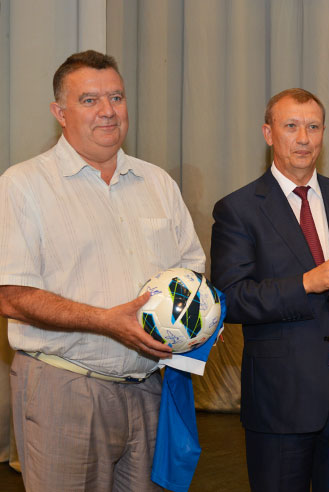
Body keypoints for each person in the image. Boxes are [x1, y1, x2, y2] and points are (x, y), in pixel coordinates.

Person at [0, 50, 205, 491]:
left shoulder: (158, 183)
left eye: (116, 97)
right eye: (89, 100)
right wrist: (105, 321)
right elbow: (12, 296)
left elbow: (192, 273)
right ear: (60, 113)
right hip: (65, 388)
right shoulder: (22, 185)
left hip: (150, 388)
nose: (108, 111)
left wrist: (203, 319)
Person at [209, 88, 329, 492]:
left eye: (313, 127)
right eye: (291, 126)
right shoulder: (238, 209)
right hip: (280, 399)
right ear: (268, 133)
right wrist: (305, 283)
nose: (303, 138)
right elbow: (231, 299)